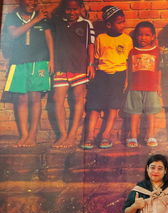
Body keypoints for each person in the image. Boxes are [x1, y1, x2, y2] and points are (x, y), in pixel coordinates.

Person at [3, 0, 54, 147]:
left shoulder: (42, 17)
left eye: (34, 0)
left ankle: (32, 135)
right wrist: (36, 20)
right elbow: (14, 34)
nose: (32, 2)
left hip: (39, 62)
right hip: (18, 62)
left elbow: (49, 39)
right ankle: (24, 134)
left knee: (35, 98)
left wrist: (51, 59)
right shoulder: (12, 17)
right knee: (21, 99)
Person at [81, 6, 132, 149]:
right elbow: (96, 58)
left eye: (124, 21)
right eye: (120, 22)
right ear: (109, 25)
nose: (123, 25)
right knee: (94, 106)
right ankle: (89, 136)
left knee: (113, 107)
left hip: (118, 76)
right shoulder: (100, 38)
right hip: (101, 75)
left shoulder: (127, 39)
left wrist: (126, 80)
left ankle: (105, 136)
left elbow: (128, 62)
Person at [51, 0, 95, 148]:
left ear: (81, 8)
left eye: (75, 9)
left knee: (78, 99)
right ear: (63, 9)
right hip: (60, 67)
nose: (71, 13)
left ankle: (72, 134)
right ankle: (63, 134)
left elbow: (91, 45)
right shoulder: (57, 22)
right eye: (68, 9)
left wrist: (90, 64)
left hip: (79, 67)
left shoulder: (86, 24)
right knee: (57, 99)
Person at [124, 21, 161, 147]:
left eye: (147, 35)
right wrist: (127, 83)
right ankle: (133, 136)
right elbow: (128, 69)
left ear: (153, 36)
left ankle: (150, 135)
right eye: (140, 35)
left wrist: (159, 85)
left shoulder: (157, 51)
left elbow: (159, 69)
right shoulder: (132, 51)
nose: (143, 38)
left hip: (151, 88)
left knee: (151, 113)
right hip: (135, 88)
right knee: (134, 113)